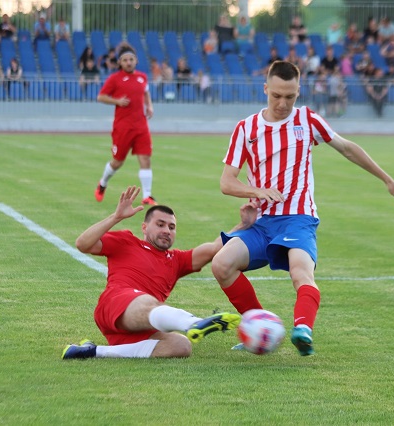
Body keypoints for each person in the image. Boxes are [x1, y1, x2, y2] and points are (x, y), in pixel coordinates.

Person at [210, 61, 394, 357]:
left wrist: (386, 178)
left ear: (298, 92)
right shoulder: (246, 129)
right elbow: (227, 182)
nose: (282, 103)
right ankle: (261, 325)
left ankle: (303, 329)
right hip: (262, 223)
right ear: (265, 89)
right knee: (221, 264)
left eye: (289, 97)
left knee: (301, 272)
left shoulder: (307, 120)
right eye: (276, 95)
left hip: (299, 219)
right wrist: (256, 191)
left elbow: (347, 147)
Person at [62, 186, 257, 360]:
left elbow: (215, 247)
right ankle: (194, 322)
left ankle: (92, 352)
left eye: (172, 227)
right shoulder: (127, 241)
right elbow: (82, 244)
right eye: (161, 224)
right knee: (147, 301)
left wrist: (244, 224)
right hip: (115, 303)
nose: (167, 230)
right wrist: (116, 217)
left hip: (141, 324)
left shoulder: (177, 260)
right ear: (145, 227)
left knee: (181, 346)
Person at [94, 44, 156, 205]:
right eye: (125, 60)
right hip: (123, 127)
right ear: (120, 62)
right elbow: (100, 97)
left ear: (136, 61)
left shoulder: (142, 77)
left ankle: (147, 195)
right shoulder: (114, 79)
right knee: (117, 161)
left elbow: (146, 92)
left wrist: (149, 105)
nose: (128, 62)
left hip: (141, 125)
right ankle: (102, 184)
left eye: (131, 59)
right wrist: (117, 101)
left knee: (146, 159)